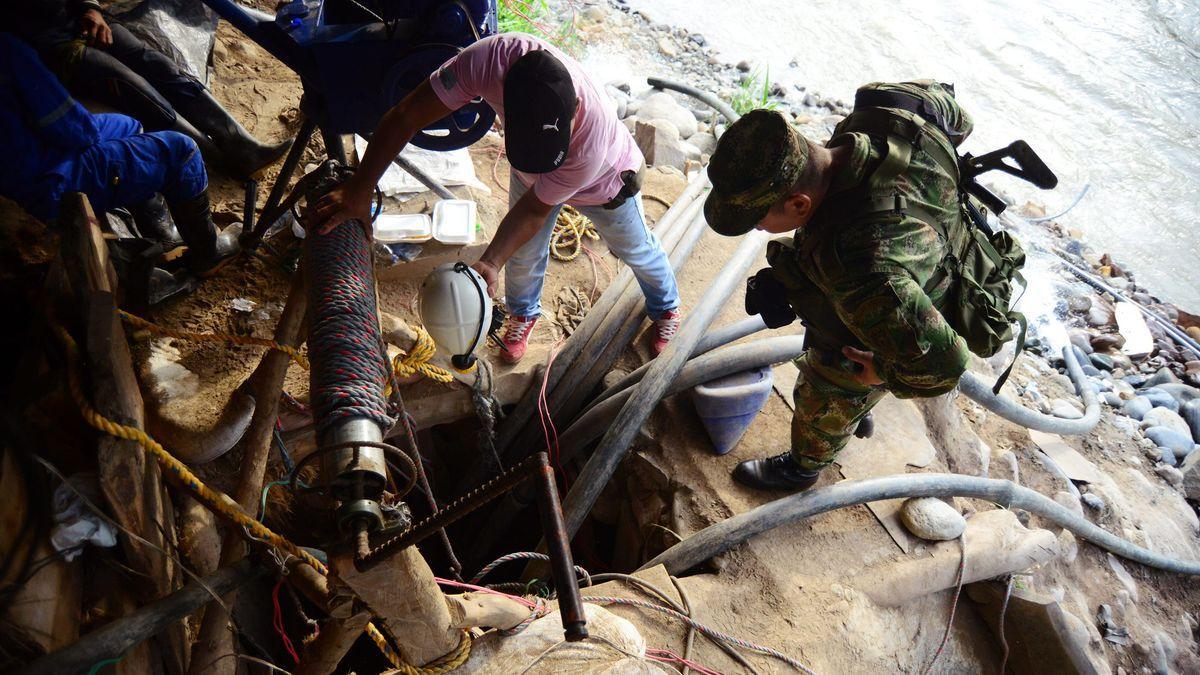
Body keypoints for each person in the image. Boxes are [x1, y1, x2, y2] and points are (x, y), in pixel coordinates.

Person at [314, 33, 683, 363]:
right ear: (505, 97)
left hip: (604, 185)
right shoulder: (487, 61)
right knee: (522, 253)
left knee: (636, 249)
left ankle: (666, 307)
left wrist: (490, 261)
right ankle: (524, 313)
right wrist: (360, 189)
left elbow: (537, 210)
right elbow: (407, 114)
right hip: (534, 173)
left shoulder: (591, 140)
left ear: (573, 112)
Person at [705, 81, 981, 492]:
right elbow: (960, 120)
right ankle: (857, 406)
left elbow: (946, 365)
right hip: (939, 239)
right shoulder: (885, 106)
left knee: (832, 377)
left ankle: (803, 466)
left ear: (799, 204)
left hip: (924, 294)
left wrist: (884, 372)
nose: (758, 229)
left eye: (758, 219)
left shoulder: (862, 267)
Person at [0, 33, 237, 278]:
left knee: (128, 126)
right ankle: (208, 252)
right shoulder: (9, 52)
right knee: (181, 151)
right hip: (44, 182)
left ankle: (162, 233)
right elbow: (72, 130)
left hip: (18, 159)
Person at [13, 0, 291, 179]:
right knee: (131, 85)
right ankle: (212, 157)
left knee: (158, 64)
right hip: (50, 47)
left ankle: (242, 145)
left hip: (80, 18)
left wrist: (92, 8)